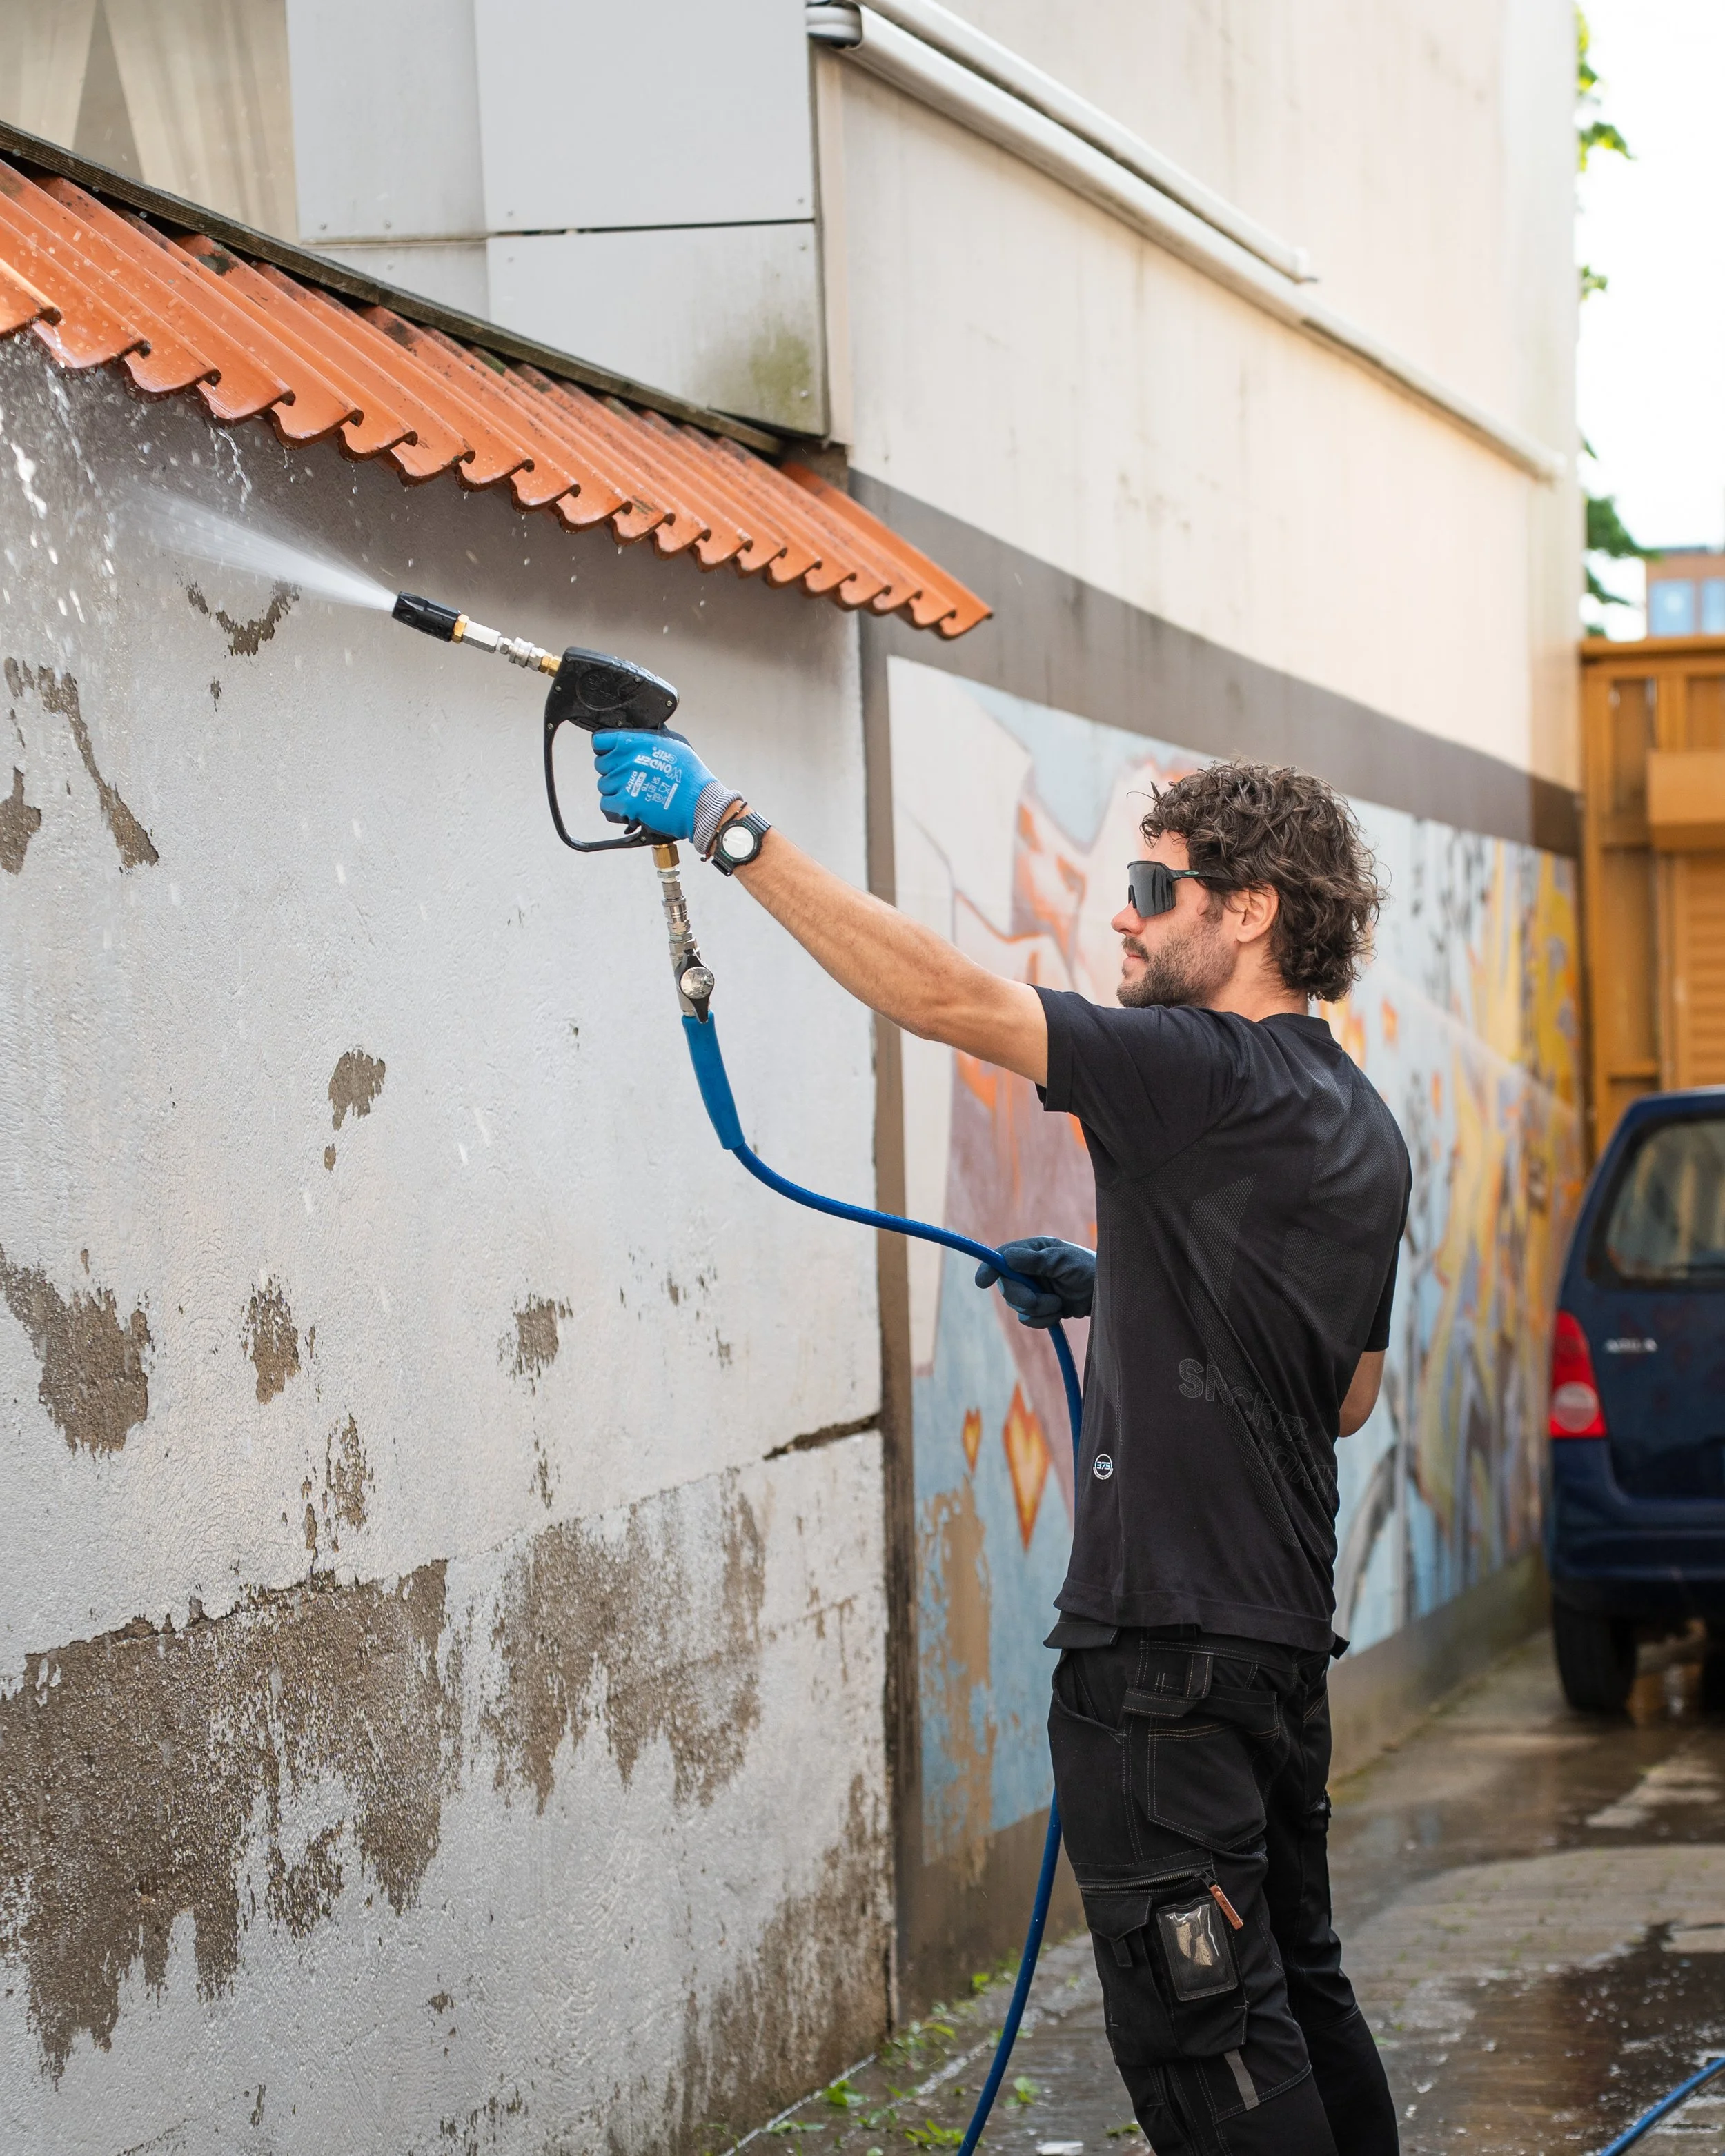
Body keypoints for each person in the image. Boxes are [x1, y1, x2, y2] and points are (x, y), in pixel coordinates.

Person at [589, 729, 1409, 2156]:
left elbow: (942, 993)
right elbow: (1340, 1392)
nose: (1122, 914)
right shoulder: (1354, 1118)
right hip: (1274, 1651)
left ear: (1252, 910)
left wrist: (726, 824)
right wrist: (1135, 1291)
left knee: (1205, 2035)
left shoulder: (1195, 1068)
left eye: (1154, 886)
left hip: (1156, 1661)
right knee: (1297, 1991)